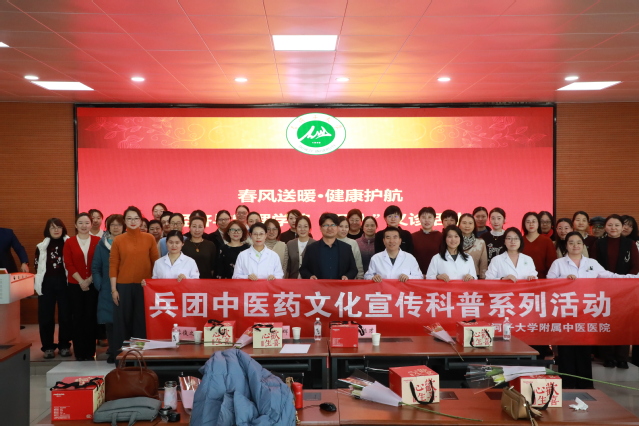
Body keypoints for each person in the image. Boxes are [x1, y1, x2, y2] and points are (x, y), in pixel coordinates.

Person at [547, 231, 638, 387]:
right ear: (566, 245)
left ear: (583, 245)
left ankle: (585, 385)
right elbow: (548, 284)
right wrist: (564, 280)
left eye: (578, 243)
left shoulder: (592, 263)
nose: (575, 246)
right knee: (566, 350)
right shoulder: (558, 263)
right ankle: (567, 385)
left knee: (584, 350)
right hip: (566, 312)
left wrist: (634, 279)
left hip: (586, 312)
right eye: (571, 243)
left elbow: (611, 276)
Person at [109, 206, 159, 363]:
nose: (133, 221)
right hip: (122, 286)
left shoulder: (149, 238)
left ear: (141, 220)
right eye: (129, 218)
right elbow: (113, 265)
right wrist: (114, 289)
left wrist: (154, 285)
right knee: (122, 323)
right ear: (124, 221)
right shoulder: (118, 240)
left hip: (144, 287)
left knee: (140, 322)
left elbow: (156, 263)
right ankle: (122, 358)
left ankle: (139, 358)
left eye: (136, 218)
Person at [589, 214, 639, 369]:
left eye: (617, 225)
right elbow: (593, 265)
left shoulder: (630, 243)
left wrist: (624, 281)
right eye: (610, 225)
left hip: (625, 289)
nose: (613, 228)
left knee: (624, 323)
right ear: (605, 227)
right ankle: (608, 357)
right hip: (604, 289)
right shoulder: (599, 243)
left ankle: (622, 357)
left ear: (622, 227)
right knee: (606, 322)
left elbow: (636, 265)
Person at [63, 213, 100, 361]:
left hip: (92, 284)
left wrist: (89, 280)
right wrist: (81, 281)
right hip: (75, 285)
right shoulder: (69, 242)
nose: (84, 226)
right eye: (80, 223)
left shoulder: (97, 241)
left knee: (90, 317)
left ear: (91, 224)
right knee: (77, 317)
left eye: (86, 223)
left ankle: (90, 352)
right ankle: (79, 352)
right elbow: (68, 263)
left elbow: (99, 263)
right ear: (75, 225)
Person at [34, 218, 71, 359]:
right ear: (47, 230)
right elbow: (37, 266)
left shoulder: (70, 244)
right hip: (47, 284)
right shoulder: (41, 246)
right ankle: (48, 347)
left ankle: (64, 345)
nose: (56, 230)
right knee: (45, 316)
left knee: (66, 316)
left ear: (63, 229)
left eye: (59, 227)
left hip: (65, 283)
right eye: (52, 227)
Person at [92, 214, 124, 360]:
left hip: (125, 286)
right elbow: (96, 268)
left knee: (123, 320)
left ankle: (123, 352)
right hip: (106, 287)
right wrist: (100, 285)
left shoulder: (127, 242)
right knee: (110, 322)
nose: (116, 227)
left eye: (119, 225)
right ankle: (112, 350)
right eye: (112, 225)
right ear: (108, 227)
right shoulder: (102, 245)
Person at [300, 213, 358, 280]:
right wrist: (310, 276)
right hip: (318, 286)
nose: (330, 228)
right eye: (326, 225)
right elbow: (303, 269)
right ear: (320, 228)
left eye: (333, 225)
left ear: (337, 227)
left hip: (340, 286)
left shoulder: (346, 248)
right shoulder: (312, 248)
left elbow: (353, 269)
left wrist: (347, 276)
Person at [521, 212, 556, 278]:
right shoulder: (519, 241)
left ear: (538, 223)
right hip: (523, 278)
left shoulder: (547, 241)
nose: (531, 224)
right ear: (524, 224)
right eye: (528, 222)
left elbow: (552, 264)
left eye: (534, 221)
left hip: (542, 279)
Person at [412, 207, 442, 273]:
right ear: (419, 219)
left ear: (434, 219)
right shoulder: (413, 237)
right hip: (417, 275)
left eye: (429, 217)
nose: (427, 220)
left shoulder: (441, 236)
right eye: (423, 217)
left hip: (437, 274)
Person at [458, 213, 488, 279]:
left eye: (470, 223)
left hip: (475, 278)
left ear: (474, 225)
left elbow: (483, 264)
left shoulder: (480, 242)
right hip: (457, 277)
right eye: (464, 223)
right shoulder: (454, 242)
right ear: (459, 225)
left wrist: (483, 280)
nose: (467, 226)